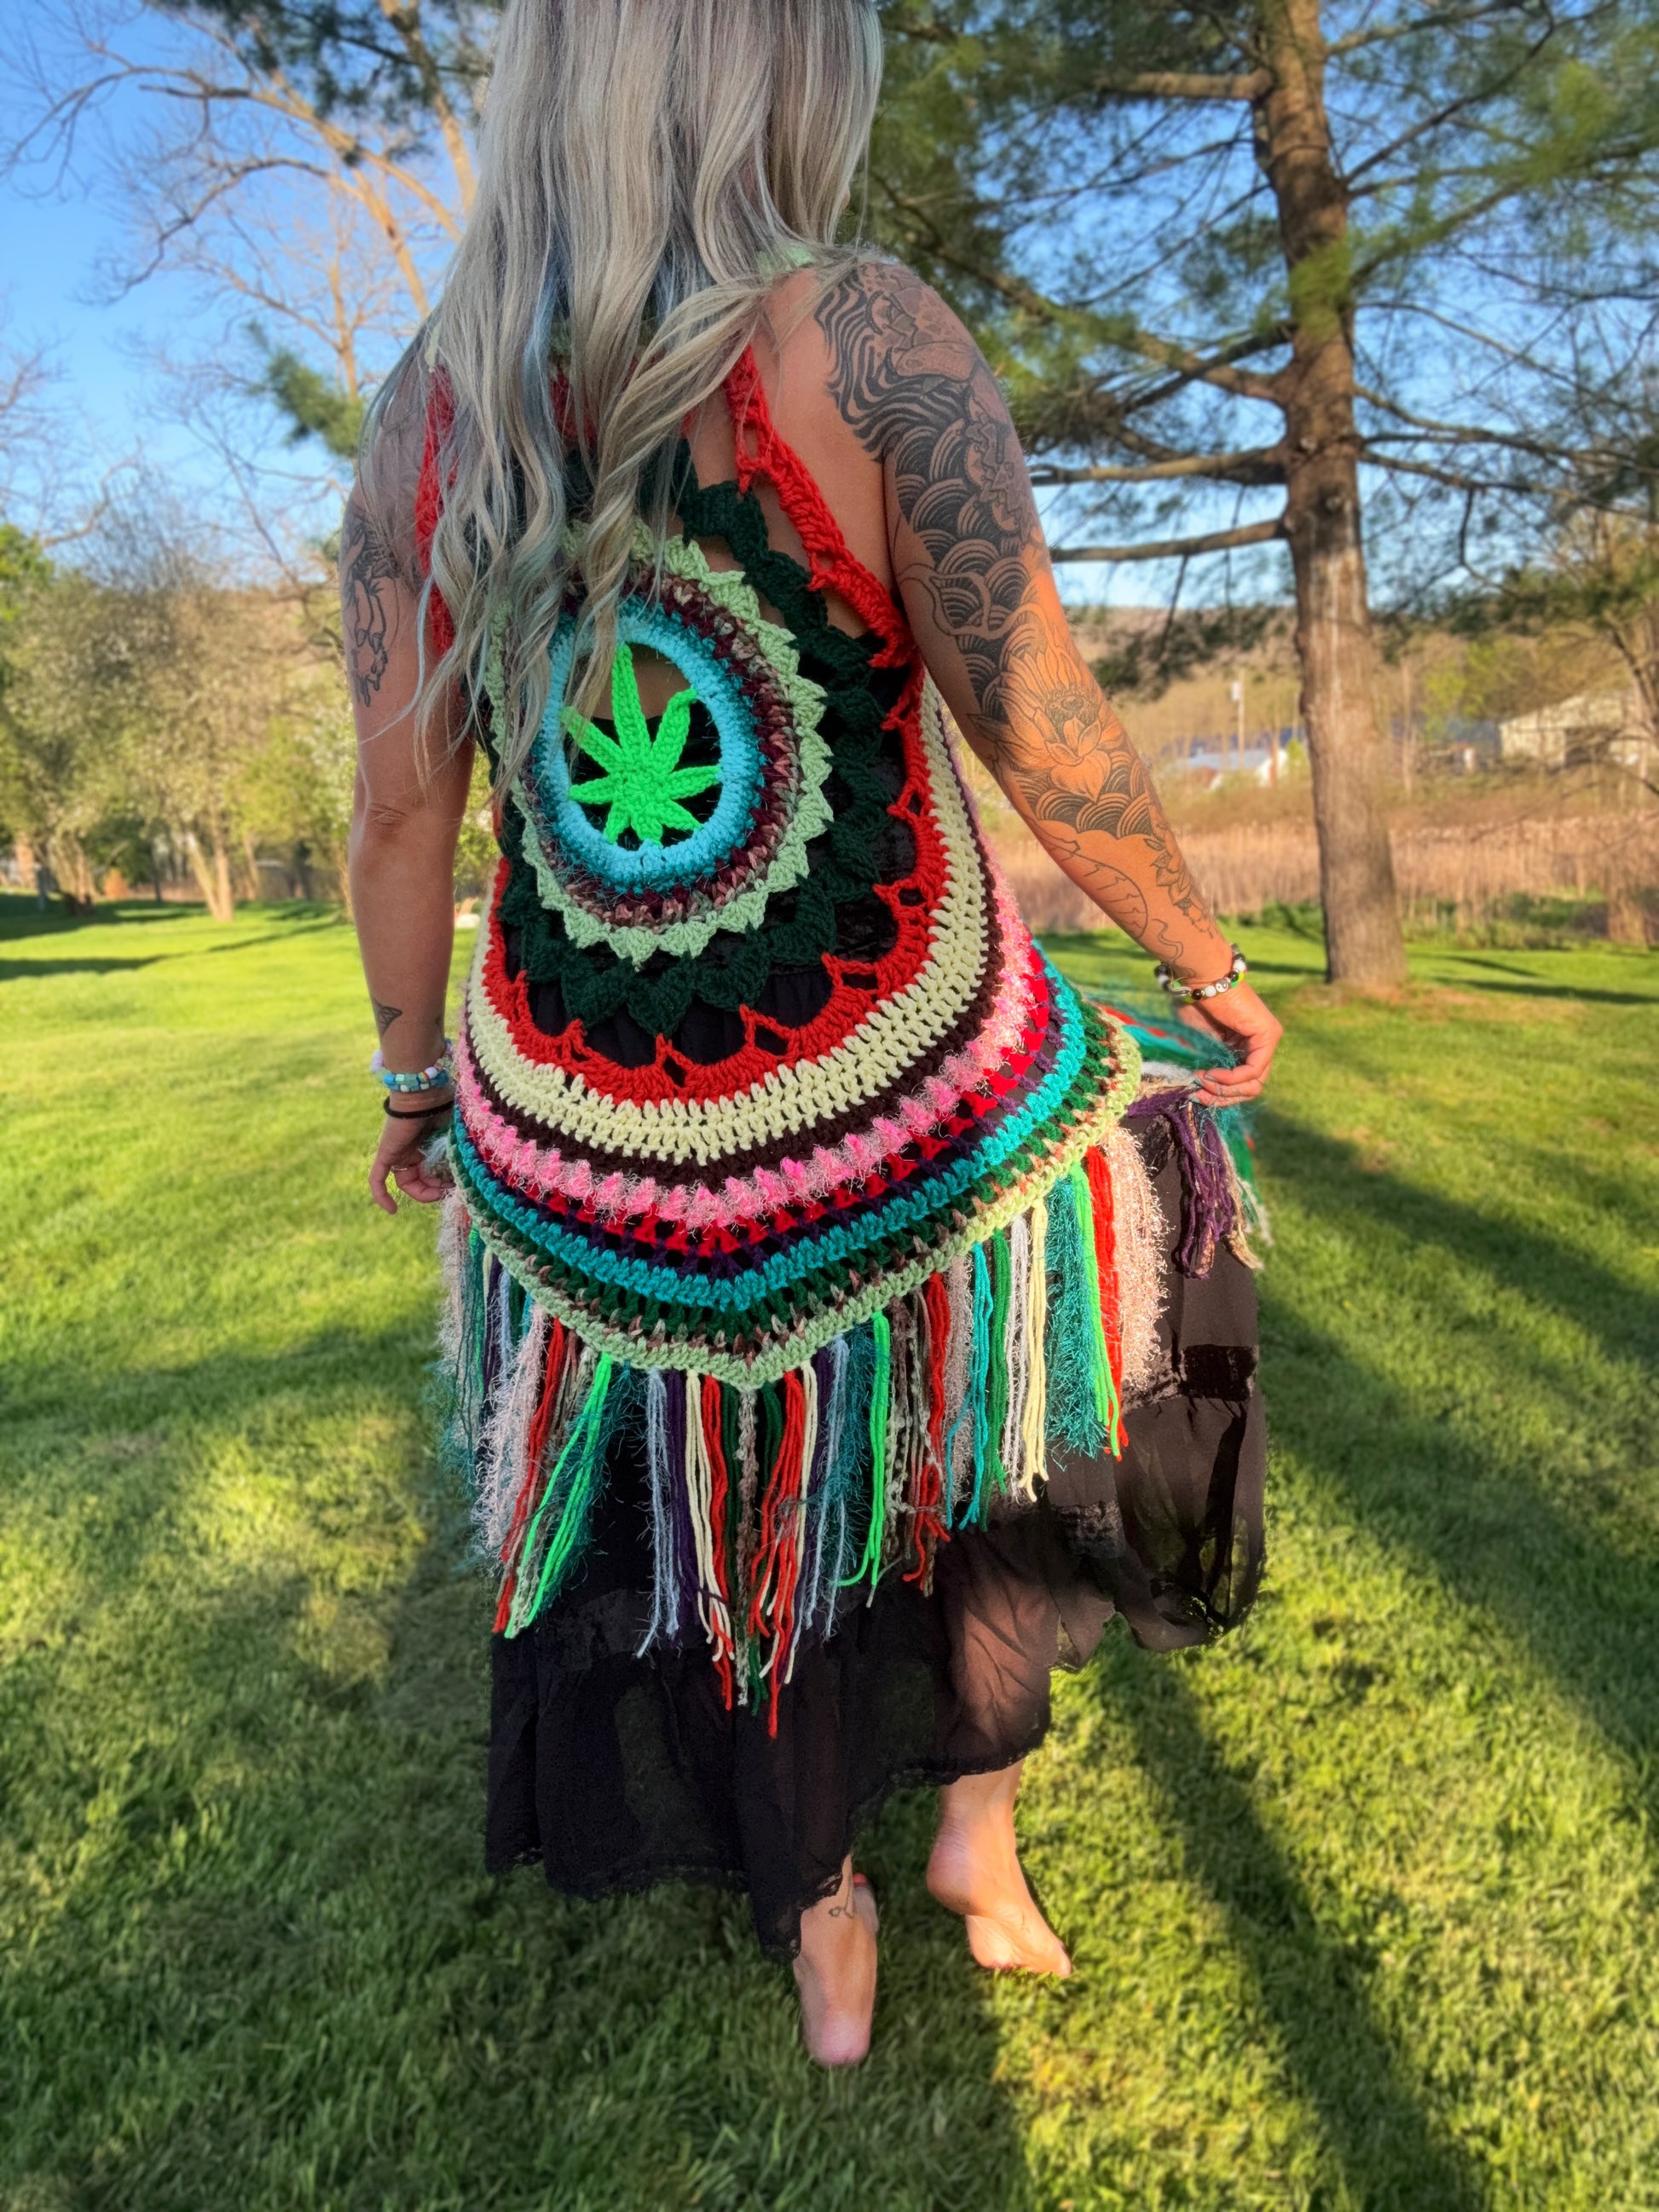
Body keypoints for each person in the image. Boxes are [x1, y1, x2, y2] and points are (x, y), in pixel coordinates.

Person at [340, 0, 1281, 2070]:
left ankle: (823, 1909)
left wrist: (414, 1084)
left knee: (729, 1514)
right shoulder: (862, 332)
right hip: (908, 1091)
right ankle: (971, 1836)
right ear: (778, 68)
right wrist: (1205, 962)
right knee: (992, 1457)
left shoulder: (429, 412)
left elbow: (400, 815)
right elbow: (1033, 708)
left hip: (599, 1138)